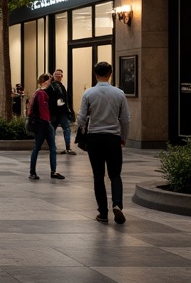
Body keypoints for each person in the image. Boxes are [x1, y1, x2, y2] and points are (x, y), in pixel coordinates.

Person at [76, 60, 130, 224]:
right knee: (115, 175)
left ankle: (103, 212)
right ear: (110, 73)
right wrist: (123, 138)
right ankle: (118, 204)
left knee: (98, 175)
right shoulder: (119, 93)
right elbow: (125, 119)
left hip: (95, 138)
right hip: (113, 137)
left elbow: (81, 118)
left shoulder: (88, 94)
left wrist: (82, 132)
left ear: (95, 74)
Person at [27, 72, 64, 181]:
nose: (50, 82)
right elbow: (43, 111)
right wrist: (48, 121)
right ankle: (52, 171)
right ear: (44, 81)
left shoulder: (37, 93)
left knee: (39, 148)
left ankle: (33, 172)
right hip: (43, 124)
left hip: (40, 124)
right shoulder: (42, 94)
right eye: (48, 80)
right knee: (48, 147)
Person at [48, 67, 75, 153]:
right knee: (66, 128)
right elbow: (62, 100)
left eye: (58, 75)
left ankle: (54, 147)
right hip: (60, 112)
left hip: (54, 112)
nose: (57, 76)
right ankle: (68, 148)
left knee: (54, 129)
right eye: (56, 75)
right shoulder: (58, 86)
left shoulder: (53, 86)